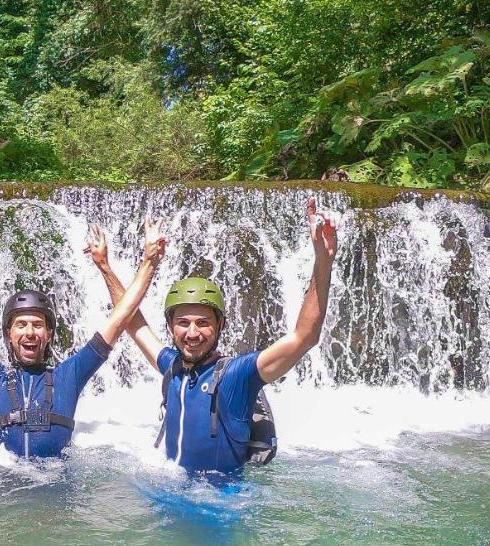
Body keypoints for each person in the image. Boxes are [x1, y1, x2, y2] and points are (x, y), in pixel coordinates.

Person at [87, 197, 338, 474]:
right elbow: (131, 321)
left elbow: (305, 337)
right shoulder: (172, 366)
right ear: (171, 327)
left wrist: (323, 262)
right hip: (172, 496)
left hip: (221, 505)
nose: (192, 333)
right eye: (183, 322)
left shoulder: (238, 375)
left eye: (203, 323)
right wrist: (105, 267)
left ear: (220, 326)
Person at [0, 204, 167, 459]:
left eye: (38, 325)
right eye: (21, 325)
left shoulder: (70, 375)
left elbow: (120, 319)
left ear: (49, 334)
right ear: (9, 334)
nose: (30, 332)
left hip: (56, 490)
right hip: (3, 487)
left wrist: (146, 263)